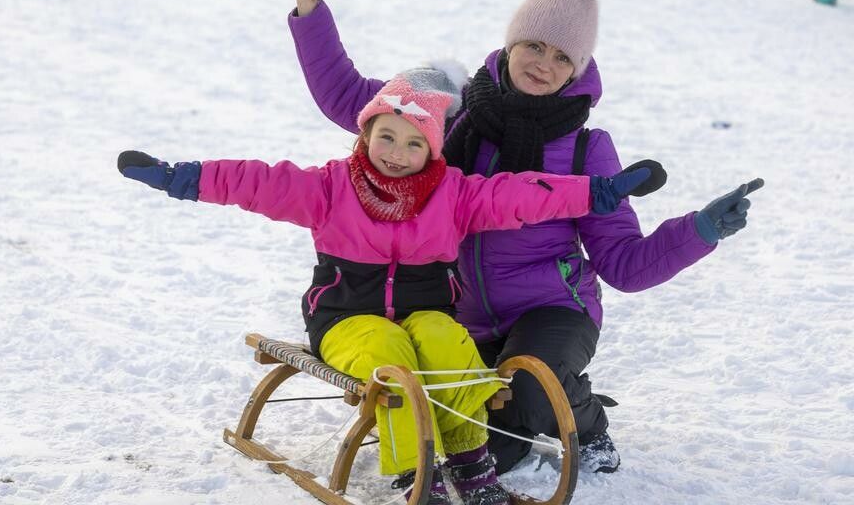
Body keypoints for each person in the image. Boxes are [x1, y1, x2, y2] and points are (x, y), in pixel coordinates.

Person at [289, 0, 764, 477]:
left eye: (562, 57)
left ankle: (584, 418)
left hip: (553, 309)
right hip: (457, 313)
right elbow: (348, 97)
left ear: (576, 70)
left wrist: (700, 231)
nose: (544, 64)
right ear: (511, 43)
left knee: (523, 407)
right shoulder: (450, 113)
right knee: (471, 430)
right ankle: (522, 393)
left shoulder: (586, 149)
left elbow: (624, 265)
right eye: (535, 45)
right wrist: (309, 3)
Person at [117, 65, 655, 503]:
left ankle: (471, 460)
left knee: (447, 341)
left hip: (425, 313)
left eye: (414, 143)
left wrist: (597, 192)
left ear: (433, 150)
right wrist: (183, 178)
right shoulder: (329, 187)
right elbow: (258, 182)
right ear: (366, 134)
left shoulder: (454, 194)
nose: (397, 153)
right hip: (347, 319)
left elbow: (521, 194)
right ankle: (416, 468)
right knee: (389, 353)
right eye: (387, 137)